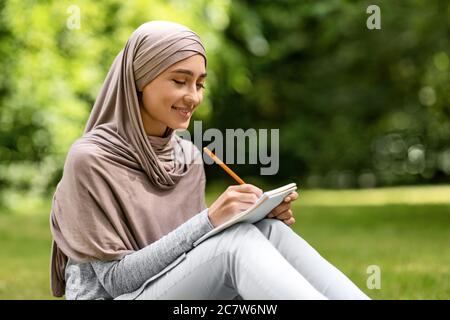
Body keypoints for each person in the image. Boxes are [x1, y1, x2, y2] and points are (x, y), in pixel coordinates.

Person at [49, 20, 370, 300]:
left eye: (200, 84)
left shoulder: (187, 156)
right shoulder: (90, 160)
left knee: (271, 232)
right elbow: (116, 281)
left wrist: (252, 216)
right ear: (138, 80)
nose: (193, 96)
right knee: (235, 244)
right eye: (179, 80)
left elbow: (189, 257)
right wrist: (211, 221)